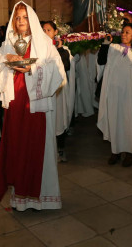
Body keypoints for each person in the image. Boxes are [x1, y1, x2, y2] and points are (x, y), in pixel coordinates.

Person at [0, 1, 66, 210]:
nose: (21, 21)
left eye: (24, 17)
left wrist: (32, 68)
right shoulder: (9, 43)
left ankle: (44, 199)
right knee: (18, 148)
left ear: (32, 20)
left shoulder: (44, 42)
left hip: (36, 104)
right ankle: (20, 200)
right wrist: (6, 58)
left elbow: (58, 71)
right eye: (17, 17)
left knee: (36, 148)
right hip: (16, 104)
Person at [97, 24, 132, 167]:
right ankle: (115, 151)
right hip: (113, 94)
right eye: (123, 32)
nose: (123, 34)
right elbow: (101, 60)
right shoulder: (114, 48)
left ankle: (130, 153)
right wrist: (106, 43)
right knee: (114, 121)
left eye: (127, 32)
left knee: (128, 124)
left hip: (129, 96)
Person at [42, 21, 75, 162]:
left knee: (58, 117)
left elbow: (65, 66)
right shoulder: (38, 48)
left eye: (48, 30)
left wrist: (59, 49)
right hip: (44, 90)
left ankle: (60, 148)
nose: (45, 33)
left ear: (56, 32)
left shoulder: (63, 49)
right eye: (43, 30)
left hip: (58, 90)